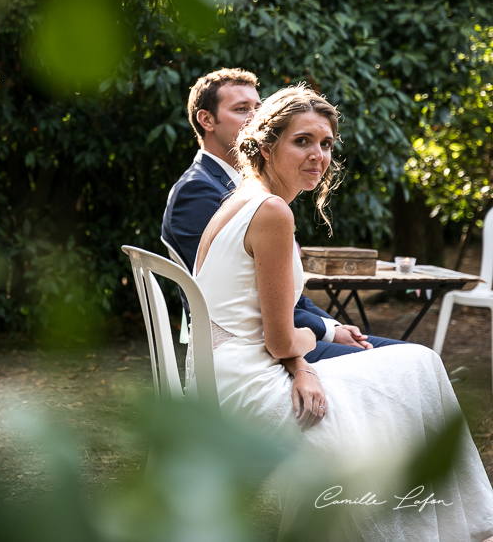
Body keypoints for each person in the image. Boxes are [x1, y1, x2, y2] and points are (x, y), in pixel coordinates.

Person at [191, 85, 493, 539]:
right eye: (303, 141)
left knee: (413, 367)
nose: (319, 154)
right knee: (419, 365)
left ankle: (445, 523)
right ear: (267, 145)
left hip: (219, 370)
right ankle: (454, 524)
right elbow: (280, 339)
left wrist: (306, 354)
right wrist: (310, 350)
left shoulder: (238, 199)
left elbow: (264, 324)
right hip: (244, 382)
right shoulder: (272, 211)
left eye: (327, 144)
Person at [161, 68, 400, 362]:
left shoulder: (247, 191)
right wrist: (308, 353)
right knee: (414, 363)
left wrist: (331, 326)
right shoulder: (199, 191)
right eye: (241, 109)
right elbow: (235, 298)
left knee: (408, 358)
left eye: (257, 108)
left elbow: (275, 291)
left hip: (267, 338)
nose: (254, 117)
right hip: (249, 350)